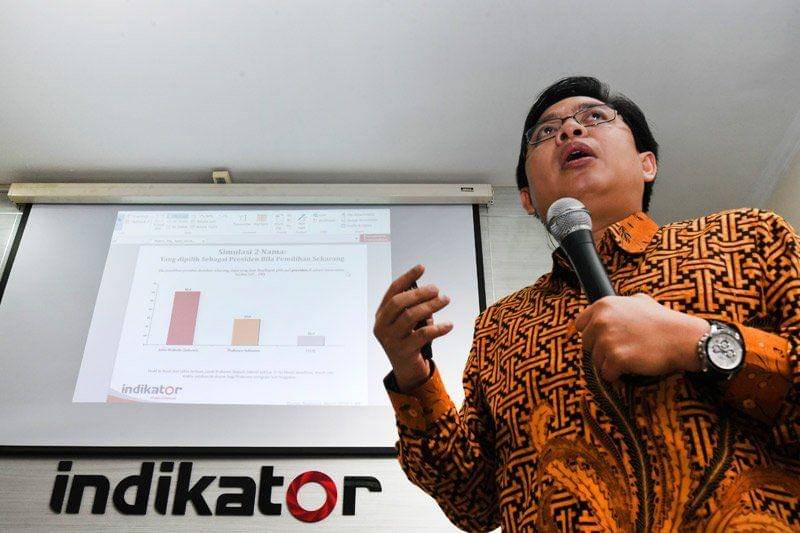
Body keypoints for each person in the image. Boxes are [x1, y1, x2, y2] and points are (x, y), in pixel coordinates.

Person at [373, 77, 800, 531]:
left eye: (595, 117)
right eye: (545, 132)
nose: (569, 131)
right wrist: (412, 375)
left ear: (647, 163)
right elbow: (472, 504)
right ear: (527, 199)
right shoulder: (499, 325)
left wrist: (699, 342)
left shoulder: (748, 238)